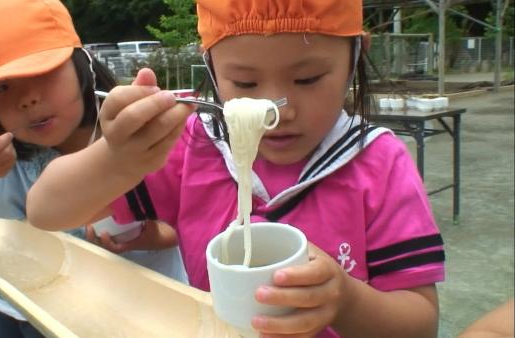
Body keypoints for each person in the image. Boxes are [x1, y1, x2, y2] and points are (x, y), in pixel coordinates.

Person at [28, 0, 446, 337]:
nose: (278, 111)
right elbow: (46, 212)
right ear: (210, 68)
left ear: (355, 58)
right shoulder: (195, 146)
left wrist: (347, 302)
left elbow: (419, 323)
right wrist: (116, 159)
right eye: (244, 85)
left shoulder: (378, 163)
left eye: (309, 78)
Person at [0, 0, 186, 336]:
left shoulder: (139, 133)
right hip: (40, 313)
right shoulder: (9, 162)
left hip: (150, 316)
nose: (26, 98)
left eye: (41, 71)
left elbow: (194, 225)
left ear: (81, 63)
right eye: (1, 87)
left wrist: (152, 236)